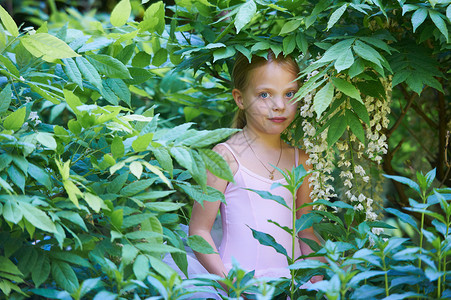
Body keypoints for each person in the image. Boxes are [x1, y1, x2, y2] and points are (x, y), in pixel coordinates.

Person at [188, 51, 324, 285]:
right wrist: (231, 286)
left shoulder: (301, 160)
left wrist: (318, 280)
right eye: (264, 95)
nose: (280, 105)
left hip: (291, 286)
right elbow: (199, 231)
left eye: (290, 94)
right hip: (238, 284)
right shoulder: (225, 157)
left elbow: (306, 232)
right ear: (240, 99)